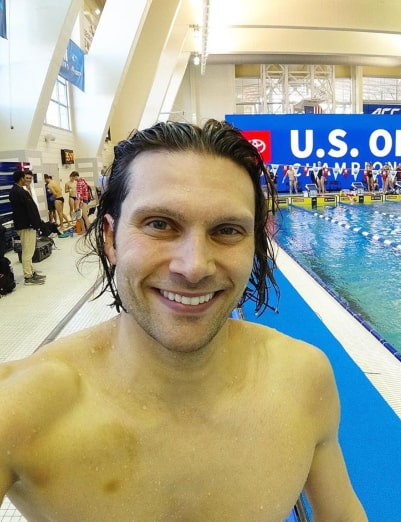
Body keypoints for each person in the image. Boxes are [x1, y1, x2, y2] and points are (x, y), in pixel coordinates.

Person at [0, 120, 366, 521]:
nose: (193, 267)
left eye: (227, 230)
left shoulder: (303, 379)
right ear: (110, 238)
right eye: (160, 224)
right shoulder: (21, 406)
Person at [8, 170, 46, 285]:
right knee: (27, 252)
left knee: (29, 250)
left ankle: (31, 272)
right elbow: (28, 211)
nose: (27, 180)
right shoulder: (18, 192)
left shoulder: (19, 190)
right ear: (21, 178)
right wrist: (35, 224)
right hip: (25, 226)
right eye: (26, 178)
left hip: (26, 225)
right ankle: (28, 277)